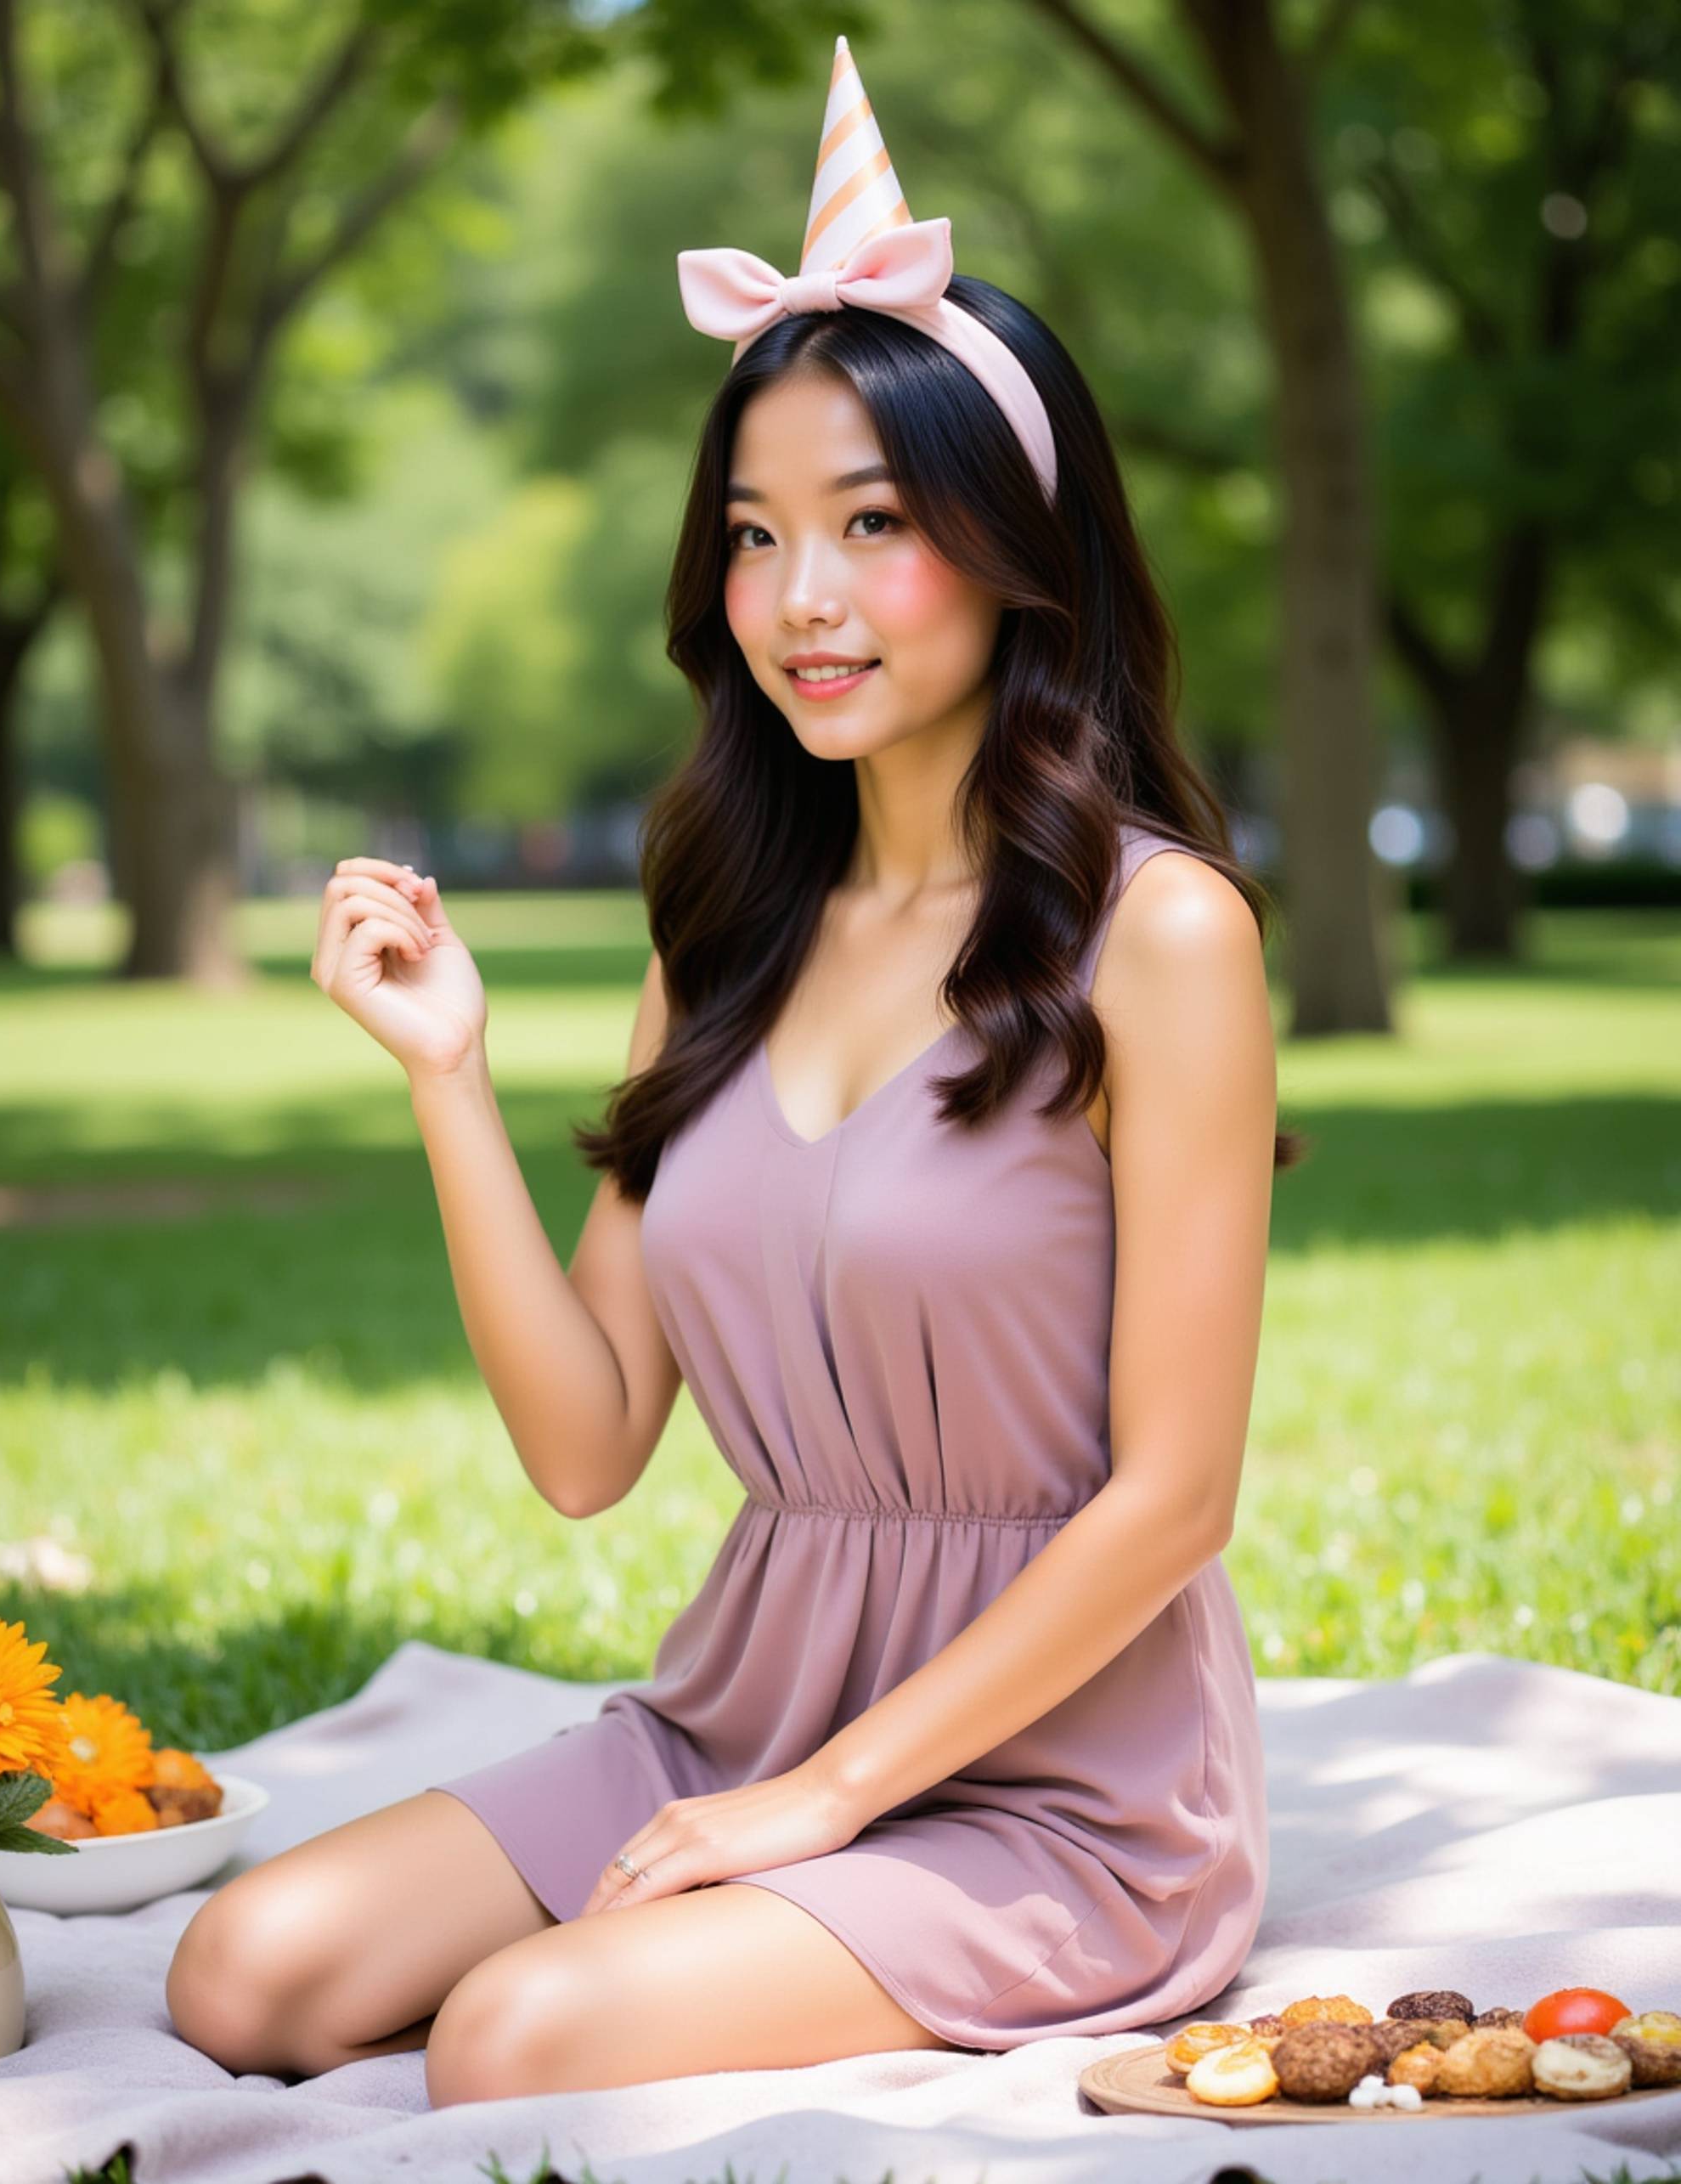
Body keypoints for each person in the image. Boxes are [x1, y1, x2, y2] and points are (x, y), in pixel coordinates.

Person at [166, 35, 1299, 2107]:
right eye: (759, 535)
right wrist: (449, 1074)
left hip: (1057, 1786)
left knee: (508, 2038)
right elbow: (592, 1445)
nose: (803, 600)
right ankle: (737, 1933)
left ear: (1014, 540)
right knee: (242, 1972)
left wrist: (831, 1803)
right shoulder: (724, 935)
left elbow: (1176, 1495)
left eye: (874, 524)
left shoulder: (1163, 940)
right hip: (741, 1711)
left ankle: (783, 1936)